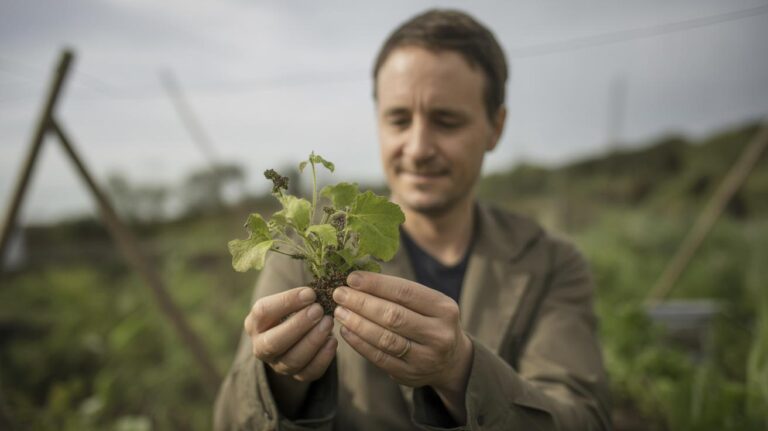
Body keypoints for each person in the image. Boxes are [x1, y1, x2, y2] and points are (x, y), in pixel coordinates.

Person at [214, 8, 611, 430]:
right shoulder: (304, 255)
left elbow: (584, 419)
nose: (418, 147)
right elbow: (229, 422)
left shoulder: (550, 263)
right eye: (399, 119)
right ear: (378, 121)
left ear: (495, 127)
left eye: (447, 120)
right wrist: (279, 380)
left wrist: (460, 369)